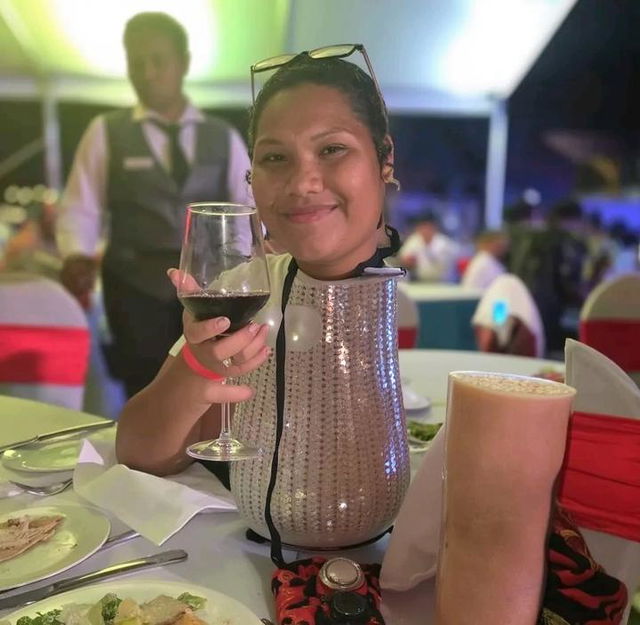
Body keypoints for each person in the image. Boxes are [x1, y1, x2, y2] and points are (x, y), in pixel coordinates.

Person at [116, 49, 402, 478]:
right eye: (274, 158)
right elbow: (139, 453)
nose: (302, 182)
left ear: (384, 159)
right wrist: (198, 367)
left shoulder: (417, 307)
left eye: (332, 149)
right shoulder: (246, 289)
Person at [56, 12, 252, 397]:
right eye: (136, 63)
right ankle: (142, 459)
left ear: (183, 63)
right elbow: (82, 205)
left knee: (210, 382)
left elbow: (246, 212)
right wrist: (75, 255)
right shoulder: (106, 132)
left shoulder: (223, 137)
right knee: (142, 386)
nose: (146, 73)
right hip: (132, 289)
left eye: (158, 61)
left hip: (208, 289)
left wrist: (244, 273)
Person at [398, 212, 459, 282]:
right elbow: (403, 259)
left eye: (428, 226)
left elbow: (449, 265)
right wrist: (408, 262)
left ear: (434, 227)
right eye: (423, 226)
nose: (425, 230)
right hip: (420, 281)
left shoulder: (444, 243)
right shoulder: (414, 241)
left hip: (443, 282)